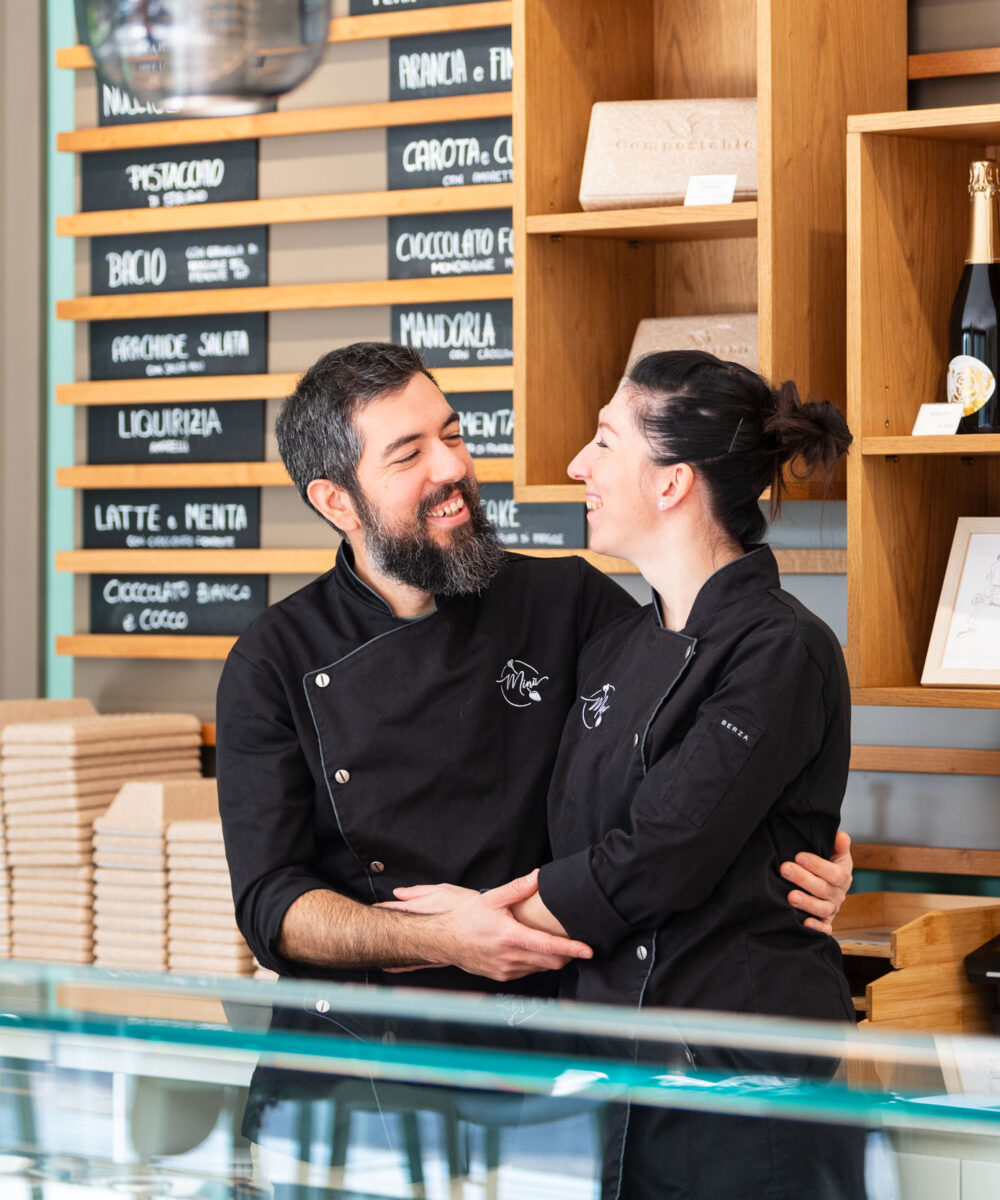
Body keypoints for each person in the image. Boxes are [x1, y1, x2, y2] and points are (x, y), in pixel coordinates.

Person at [216, 342, 852, 1000]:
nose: (451, 467)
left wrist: (782, 856)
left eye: (453, 435)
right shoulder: (272, 660)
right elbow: (272, 907)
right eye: (409, 455)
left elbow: (687, 788)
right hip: (373, 1048)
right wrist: (442, 936)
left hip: (548, 1027)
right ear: (336, 501)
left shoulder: (569, 604)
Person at [385, 350, 865, 1198]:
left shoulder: (782, 650)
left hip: (741, 1098)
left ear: (672, 482)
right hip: (618, 1086)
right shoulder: (617, 644)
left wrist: (475, 924)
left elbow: (659, 852)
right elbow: (578, 832)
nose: (578, 465)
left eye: (604, 441)